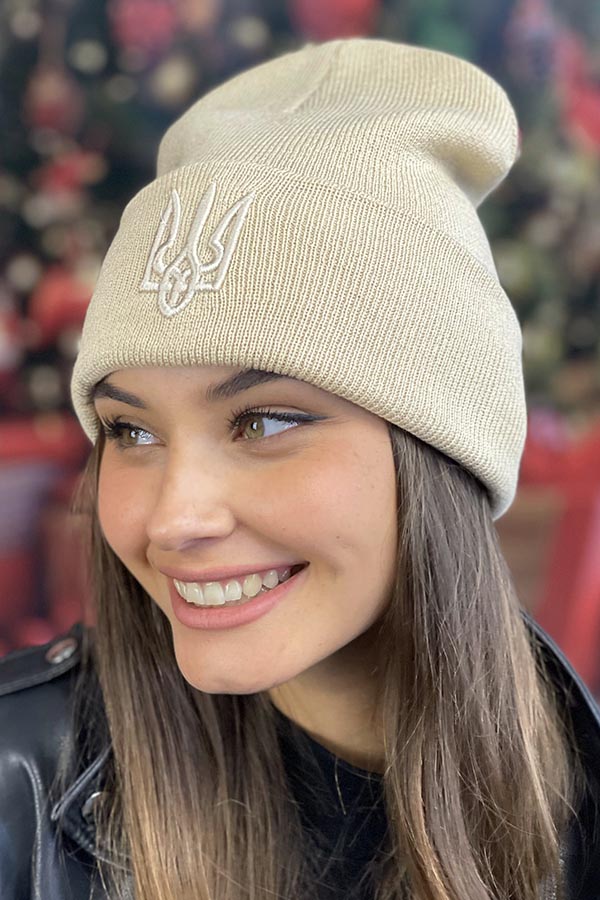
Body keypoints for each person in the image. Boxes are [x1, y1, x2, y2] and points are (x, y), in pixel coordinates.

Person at [1, 37, 599, 900]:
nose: (173, 518)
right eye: (131, 431)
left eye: (265, 421)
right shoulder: (18, 783)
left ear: (442, 454)